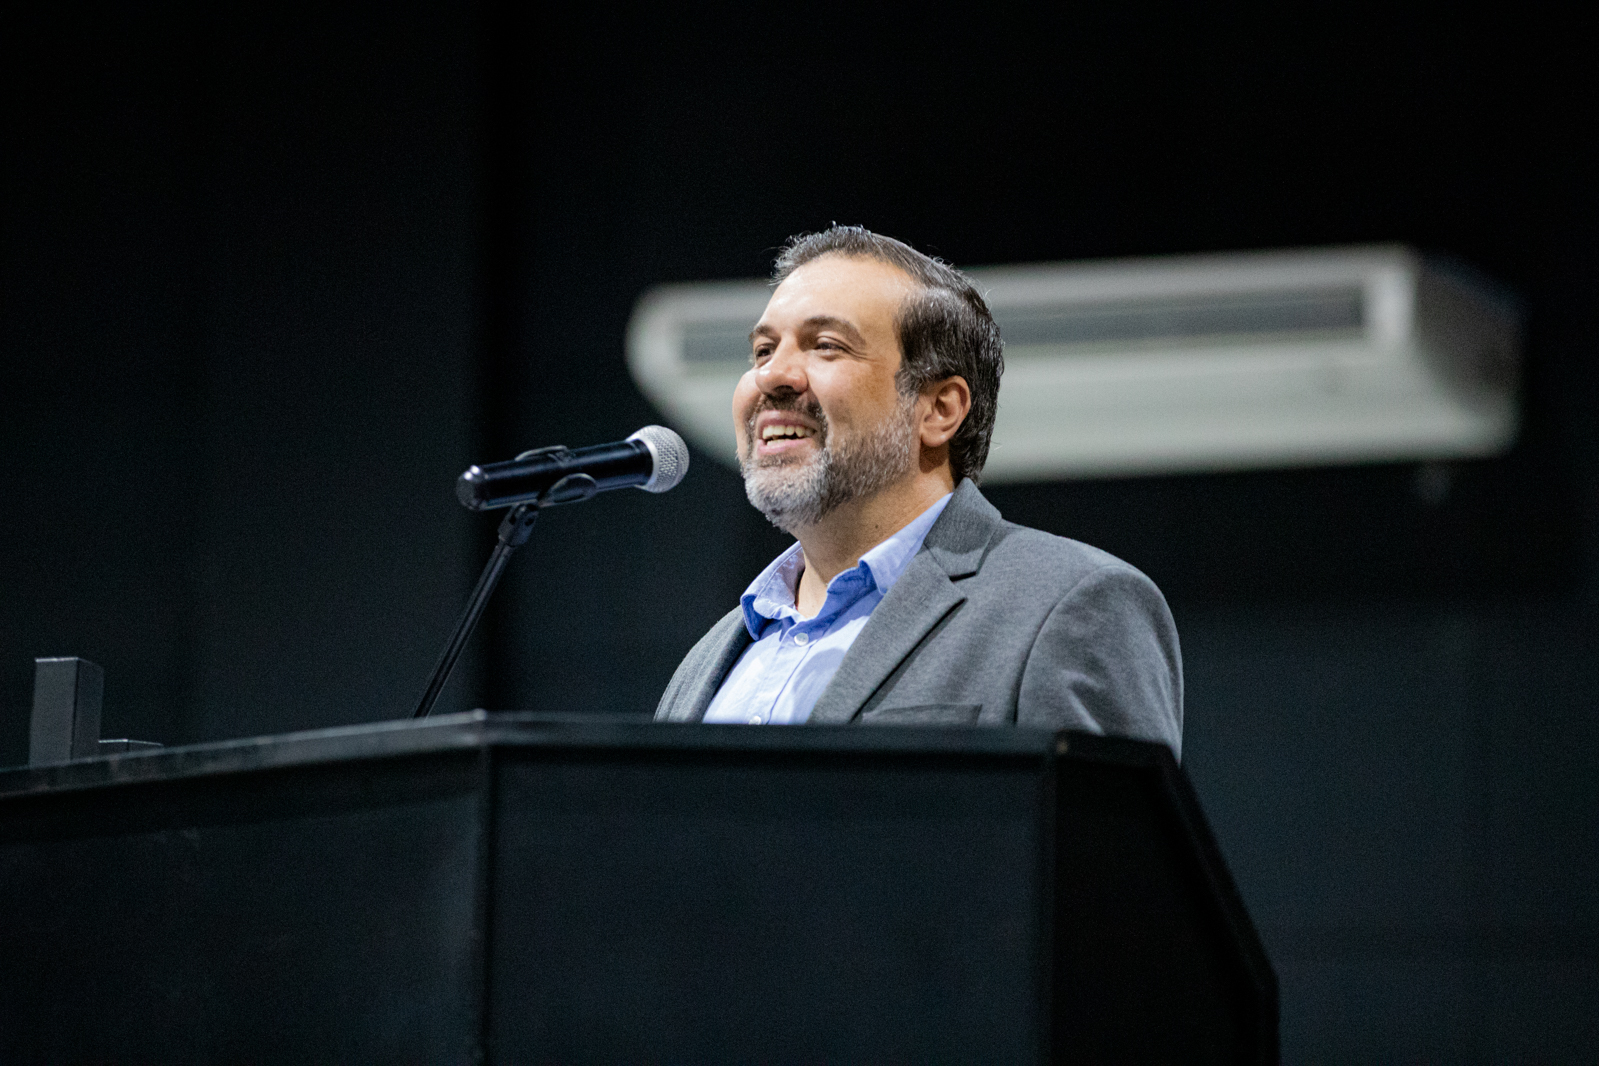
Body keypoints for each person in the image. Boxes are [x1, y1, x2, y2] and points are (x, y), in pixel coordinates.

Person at [654, 226, 1183, 757]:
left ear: (938, 410)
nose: (772, 376)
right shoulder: (708, 661)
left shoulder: (1072, 605)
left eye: (826, 346)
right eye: (763, 350)